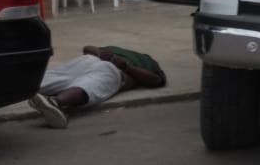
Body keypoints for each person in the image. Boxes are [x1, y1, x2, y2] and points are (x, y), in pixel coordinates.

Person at [28, 45, 166, 129]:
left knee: (69, 79)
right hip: (97, 62)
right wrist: (101, 53)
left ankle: (49, 99)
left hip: (108, 66)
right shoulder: (144, 60)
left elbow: (156, 80)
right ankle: (55, 103)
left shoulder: (148, 63)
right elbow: (87, 48)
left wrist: (126, 66)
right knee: (89, 82)